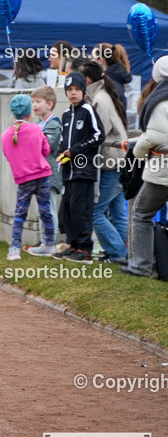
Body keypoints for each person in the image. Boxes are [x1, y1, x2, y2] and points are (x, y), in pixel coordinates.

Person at [80, 60, 128, 264]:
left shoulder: (99, 98)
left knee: (96, 212)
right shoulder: (103, 94)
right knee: (118, 213)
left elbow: (98, 133)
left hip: (111, 162)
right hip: (119, 161)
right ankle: (126, 254)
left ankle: (118, 253)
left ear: (88, 79)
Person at [54, 71, 104, 263]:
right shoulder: (67, 114)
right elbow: (64, 140)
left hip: (84, 170)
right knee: (68, 209)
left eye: (77, 89)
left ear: (83, 91)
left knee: (81, 209)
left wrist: (75, 151)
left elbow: (98, 135)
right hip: (69, 171)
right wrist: (61, 153)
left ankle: (85, 249)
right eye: (69, 90)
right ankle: (73, 244)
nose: (73, 93)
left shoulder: (88, 110)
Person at [124, 56, 168, 277]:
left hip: (163, 170)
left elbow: (152, 137)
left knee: (141, 214)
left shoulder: (160, 102)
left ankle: (140, 267)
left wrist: (138, 152)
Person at [1, 95, 55, 261]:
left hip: (23, 179)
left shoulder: (5, 135)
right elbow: (46, 150)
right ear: (29, 113)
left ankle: (15, 248)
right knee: (46, 211)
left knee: (20, 213)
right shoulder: (37, 129)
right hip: (42, 175)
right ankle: (49, 244)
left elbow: (7, 155)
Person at [25, 86, 63, 255]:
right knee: (42, 211)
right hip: (38, 173)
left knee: (48, 210)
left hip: (49, 173)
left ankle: (50, 243)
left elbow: (46, 146)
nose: (34, 105)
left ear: (49, 104)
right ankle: (44, 242)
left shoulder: (54, 123)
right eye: (33, 101)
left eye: (38, 101)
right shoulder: (39, 124)